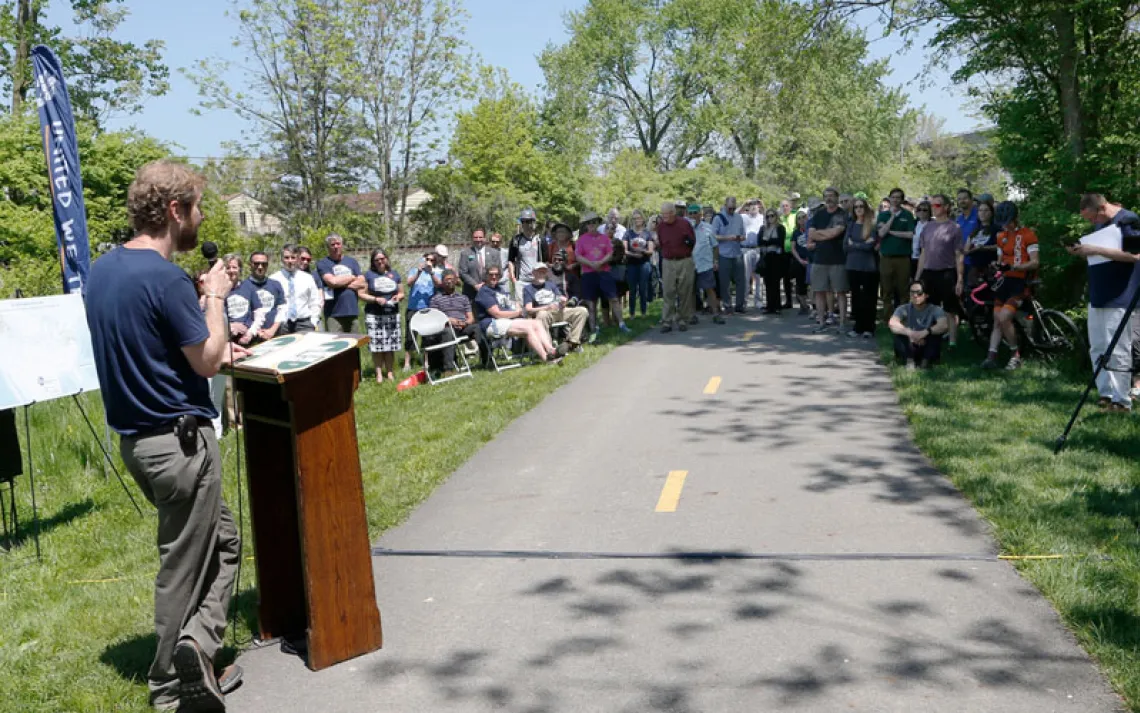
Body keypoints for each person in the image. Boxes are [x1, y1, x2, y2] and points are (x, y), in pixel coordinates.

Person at [85, 161, 246, 713]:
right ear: (175, 211)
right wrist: (216, 297)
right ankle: (170, 685)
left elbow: (152, 344)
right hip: (179, 442)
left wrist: (196, 312)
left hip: (138, 441)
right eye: (197, 206)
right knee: (182, 561)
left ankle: (197, 651)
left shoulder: (103, 272)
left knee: (222, 541)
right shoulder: (165, 277)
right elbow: (204, 363)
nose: (201, 217)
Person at [1068, 193, 1140, 411]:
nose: (1091, 223)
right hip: (1098, 293)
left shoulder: (1129, 220)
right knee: (1098, 346)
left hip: (1120, 295)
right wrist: (1082, 252)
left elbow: (1135, 255)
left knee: (1118, 348)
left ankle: (1121, 400)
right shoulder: (1101, 226)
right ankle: (1105, 392)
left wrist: (1095, 250)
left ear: (1101, 208)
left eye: (1091, 218)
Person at [978, 201, 1038, 371]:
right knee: (997, 319)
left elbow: (1035, 262)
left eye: (1009, 222)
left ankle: (1015, 355)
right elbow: (1000, 260)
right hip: (1004, 282)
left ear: (1016, 218)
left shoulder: (1028, 235)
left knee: (1004, 317)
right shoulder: (1000, 236)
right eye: (1004, 223)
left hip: (1021, 282)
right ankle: (991, 356)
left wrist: (1015, 267)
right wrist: (995, 266)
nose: (1007, 226)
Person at [474, 265, 564, 362]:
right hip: (492, 324)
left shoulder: (499, 289)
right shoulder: (484, 292)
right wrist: (518, 313)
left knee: (537, 323)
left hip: (507, 321)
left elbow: (509, 305)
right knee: (528, 328)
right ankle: (546, 358)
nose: (494, 277)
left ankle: (551, 350)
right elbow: (497, 314)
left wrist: (517, 308)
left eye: (497, 274)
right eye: (491, 274)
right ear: (486, 276)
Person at [915, 194, 965, 348]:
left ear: (946, 207)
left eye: (937, 205)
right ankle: (928, 340)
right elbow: (923, 254)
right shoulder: (927, 227)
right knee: (928, 308)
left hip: (947, 273)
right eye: (932, 205)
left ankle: (952, 341)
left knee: (950, 309)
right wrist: (917, 277)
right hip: (929, 273)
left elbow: (959, 255)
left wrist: (960, 279)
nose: (933, 208)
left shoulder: (954, 228)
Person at [576, 211, 630, 336]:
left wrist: (600, 262)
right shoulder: (581, 240)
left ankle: (622, 324)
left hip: (604, 272)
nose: (592, 225)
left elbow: (610, 253)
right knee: (591, 302)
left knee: (614, 298)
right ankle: (594, 328)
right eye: (589, 223)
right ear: (586, 225)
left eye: (594, 222)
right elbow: (578, 256)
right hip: (589, 274)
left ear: (598, 223)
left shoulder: (604, 238)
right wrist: (591, 264)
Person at [357, 248, 403, 383]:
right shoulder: (369, 275)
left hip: (392, 314)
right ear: (373, 262)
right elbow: (361, 294)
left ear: (386, 259)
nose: (380, 262)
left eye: (382, 259)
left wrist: (397, 297)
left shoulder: (394, 274)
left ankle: (389, 373)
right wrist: (375, 299)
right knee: (377, 346)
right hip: (374, 314)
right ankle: (378, 375)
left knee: (390, 346)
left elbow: (401, 293)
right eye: (377, 260)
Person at [808, 187, 849, 332]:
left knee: (841, 292)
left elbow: (837, 231)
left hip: (838, 259)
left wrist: (821, 234)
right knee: (819, 291)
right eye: (826, 196)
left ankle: (843, 323)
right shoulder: (818, 214)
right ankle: (821, 322)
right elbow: (811, 234)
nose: (829, 199)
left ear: (837, 198)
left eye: (831, 196)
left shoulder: (842, 214)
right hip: (819, 259)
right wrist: (825, 234)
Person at [524, 262, 589, 350]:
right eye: (539, 272)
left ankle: (571, 342)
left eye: (543, 272)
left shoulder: (551, 284)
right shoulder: (528, 288)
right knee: (542, 314)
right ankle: (549, 348)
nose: (541, 274)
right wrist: (546, 308)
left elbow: (560, 299)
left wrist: (563, 301)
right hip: (545, 314)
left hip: (559, 311)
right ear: (533, 273)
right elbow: (528, 309)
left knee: (582, 311)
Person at [425, 269, 479, 373]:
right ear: (442, 282)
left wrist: (465, 323)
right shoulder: (435, 299)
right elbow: (434, 319)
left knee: (478, 327)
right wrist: (448, 320)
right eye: (446, 280)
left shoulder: (463, 298)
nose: (449, 282)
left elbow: (471, 318)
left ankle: (487, 359)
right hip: (445, 329)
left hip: (463, 328)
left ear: (455, 281)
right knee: (448, 332)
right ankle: (448, 369)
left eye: (451, 279)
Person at [889, 279, 949, 369]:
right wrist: (910, 333)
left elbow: (944, 325)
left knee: (935, 337)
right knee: (899, 336)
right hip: (910, 344)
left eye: (919, 293)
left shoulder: (935, 309)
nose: (915, 295)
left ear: (927, 295)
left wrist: (925, 332)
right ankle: (909, 362)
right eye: (912, 292)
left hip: (926, 343)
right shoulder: (903, 308)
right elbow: (892, 323)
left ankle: (925, 363)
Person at [876, 187, 916, 320]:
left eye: (898, 197)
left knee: (903, 290)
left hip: (903, 258)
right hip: (886, 258)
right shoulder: (883, 215)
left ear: (902, 199)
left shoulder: (907, 215)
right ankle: (888, 319)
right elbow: (881, 233)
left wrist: (892, 232)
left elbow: (911, 234)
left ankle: (903, 318)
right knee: (886, 290)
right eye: (893, 197)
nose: (895, 200)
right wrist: (892, 216)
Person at [657, 201, 697, 332]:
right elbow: (661, 243)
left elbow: (692, 241)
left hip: (684, 260)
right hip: (668, 262)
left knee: (684, 291)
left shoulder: (684, 224)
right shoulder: (661, 226)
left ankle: (682, 319)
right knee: (668, 291)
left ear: (673, 213)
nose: (664, 217)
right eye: (662, 215)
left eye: (666, 215)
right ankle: (667, 321)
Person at [229, 251, 285, 346]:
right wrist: (254, 331)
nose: (260, 267)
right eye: (256, 263)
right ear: (250, 265)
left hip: (275, 334)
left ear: (267, 265)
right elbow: (242, 314)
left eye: (263, 264)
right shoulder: (243, 287)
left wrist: (272, 330)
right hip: (252, 338)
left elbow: (282, 310)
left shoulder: (276, 285)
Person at [846, 198, 880, 337]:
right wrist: (861, 244)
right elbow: (845, 245)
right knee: (856, 297)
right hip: (852, 266)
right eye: (856, 207)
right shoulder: (851, 225)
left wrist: (854, 244)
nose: (859, 209)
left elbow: (869, 247)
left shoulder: (872, 225)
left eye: (861, 206)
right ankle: (857, 327)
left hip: (869, 267)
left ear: (866, 208)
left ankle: (869, 328)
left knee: (869, 298)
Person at [271, 244, 323, 335]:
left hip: (304, 323)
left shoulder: (308, 278)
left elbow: (315, 301)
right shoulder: (273, 279)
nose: (290, 261)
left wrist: (313, 321)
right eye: (286, 257)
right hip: (282, 324)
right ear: (281, 259)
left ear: (298, 259)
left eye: (293, 257)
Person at [317, 233, 365, 333]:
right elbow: (332, 282)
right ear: (328, 247)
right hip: (333, 313)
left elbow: (362, 283)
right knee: (336, 345)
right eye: (332, 244)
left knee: (354, 344)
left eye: (338, 244)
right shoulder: (323, 263)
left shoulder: (352, 262)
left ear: (342, 245)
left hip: (352, 311)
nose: (336, 247)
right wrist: (352, 277)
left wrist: (340, 282)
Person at [713, 196, 748, 313]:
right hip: (724, 254)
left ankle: (740, 305)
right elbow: (713, 236)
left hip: (737, 253)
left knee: (740, 281)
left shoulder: (739, 218)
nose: (732, 210)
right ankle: (727, 305)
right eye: (730, 208)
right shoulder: (718, 218)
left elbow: (744, 234)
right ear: (725, 205)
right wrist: (728, 237)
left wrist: (740, 238)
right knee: (725, 282)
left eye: (733, 208)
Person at [694, 205, 726, 324]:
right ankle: (691, 315)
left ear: (699, 214)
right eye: (690, 213)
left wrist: (715, 261)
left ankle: (716, 313)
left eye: (695, 213)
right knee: (691, 291)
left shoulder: (708, 228)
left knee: (710, 289)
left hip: (706, 264)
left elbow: (715, 246)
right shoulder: (686, 228)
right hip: (691, 263)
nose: (693, 215)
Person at [624, 209, 656, 317]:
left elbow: (651, 251)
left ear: (643, 219)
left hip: (644, 264)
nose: (637, 220)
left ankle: (643, 312)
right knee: (632, 289)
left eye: (639, 218)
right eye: (635, 218)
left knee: (643, 288)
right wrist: (633, 255)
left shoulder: (647, 233)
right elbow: (625, 250)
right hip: (632, 264)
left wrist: (643, 251)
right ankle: (632, 313)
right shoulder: (628, 233)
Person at [509, 208, 544, 302]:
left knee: (538, 307)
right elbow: (511, 260)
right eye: (523, 221)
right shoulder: (516, 240)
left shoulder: (540, 240)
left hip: (537, 280)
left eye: (529, 221)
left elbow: (546, 261)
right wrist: (513, 277)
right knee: (521, 309)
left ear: (534, 222)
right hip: (521, 281)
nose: (527, 224)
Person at [963, 197, 999, 286]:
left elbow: (1001, 246)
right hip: (974, 270)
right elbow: (966, 250)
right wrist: (972, 250)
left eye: (986, 210)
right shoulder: (974, 231)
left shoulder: (997, 229)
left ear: (991, 213)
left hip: (990, 269)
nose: (983, 213)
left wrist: (984, 248)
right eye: (980, 210)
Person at [757, 208, 786, 314]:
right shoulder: (763, 228)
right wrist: (769, 241)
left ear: (776, 216)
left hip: (776, 257)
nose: (770, 218)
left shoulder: (780, 228)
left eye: (772, 215)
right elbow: (759, 241)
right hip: (766, 257)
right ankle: (769, 306)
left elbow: (779, 242)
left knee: (776, 282)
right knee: (767, 282)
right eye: (768, 216)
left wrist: (767, 240)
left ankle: (777, 306)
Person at [458, 228, 501, 300]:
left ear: (484, 238)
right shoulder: (465, 253)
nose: (478, 239)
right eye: (475, 237)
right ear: (472, 238)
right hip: (471, 293)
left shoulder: (494, 253)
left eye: (480, 237)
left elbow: (500, 272)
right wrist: (475, 285)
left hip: (490, 292)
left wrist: (485, 284)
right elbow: (462, 273)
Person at [741, 200, 764, 308]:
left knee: (759, 277)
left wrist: (762, 204)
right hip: (745, 249)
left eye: (755, 204)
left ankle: (758, 301)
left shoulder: (762, 217)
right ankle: (744, 301)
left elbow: (773, 214)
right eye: (751, 205)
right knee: (745, 277)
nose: (753, 206)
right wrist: (743, 204)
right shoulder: (744, 217)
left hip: (758, 249)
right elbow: (733, 214)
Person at [789, 210, 811, 315]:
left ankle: (816, 306)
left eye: (804, 217)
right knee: (800, 284)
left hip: (811, 261)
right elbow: (793, 248)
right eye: (799, 218)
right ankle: (803, 306)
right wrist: (800, 260)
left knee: (813, 285)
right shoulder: (796, 232)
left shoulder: (812, 230)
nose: (802, 220)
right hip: (800, 261)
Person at [911, 200, 931, 277]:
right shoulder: (914, 223)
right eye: (919, 209)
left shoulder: (932, 224)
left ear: (929, 212)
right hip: (912, 257)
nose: (921, 212)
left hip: (925, 258)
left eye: (925, 210)